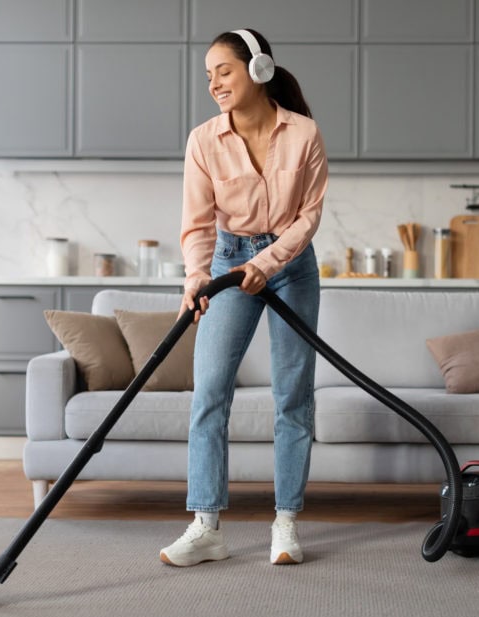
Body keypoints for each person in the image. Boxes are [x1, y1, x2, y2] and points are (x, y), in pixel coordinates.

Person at [159, 28, 328, 567]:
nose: (213, 83)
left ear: (258, 70)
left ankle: (286, 523)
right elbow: (198, 221)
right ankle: (206, 525)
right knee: (209, 390)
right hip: (228, 264)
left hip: (291, 269)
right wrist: (195, 278)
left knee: (292, 396)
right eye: (208, 75)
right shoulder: (203, 139)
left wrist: (268, 262)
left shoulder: (304, 135)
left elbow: (308, 219)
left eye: (223, 71)